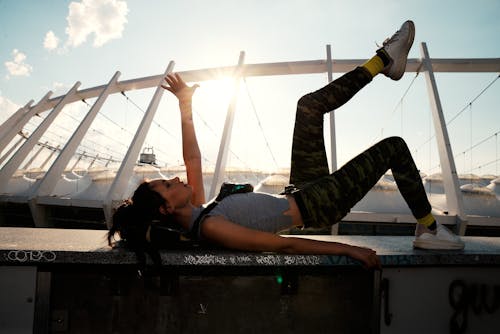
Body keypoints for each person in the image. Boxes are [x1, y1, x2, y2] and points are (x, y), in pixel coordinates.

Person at [108, 21, 464, 270]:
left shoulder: (200, 210)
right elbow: (283, 245)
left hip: (303, 188)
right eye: (168, 186)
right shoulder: (211, 227)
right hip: (317, 204)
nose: (175, 179)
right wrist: (351, 252)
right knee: (393, 148)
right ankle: (431, 229)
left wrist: (185, 104)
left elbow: (193, 158)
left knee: (307, 106)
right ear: (166, 210)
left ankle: (384, 62)